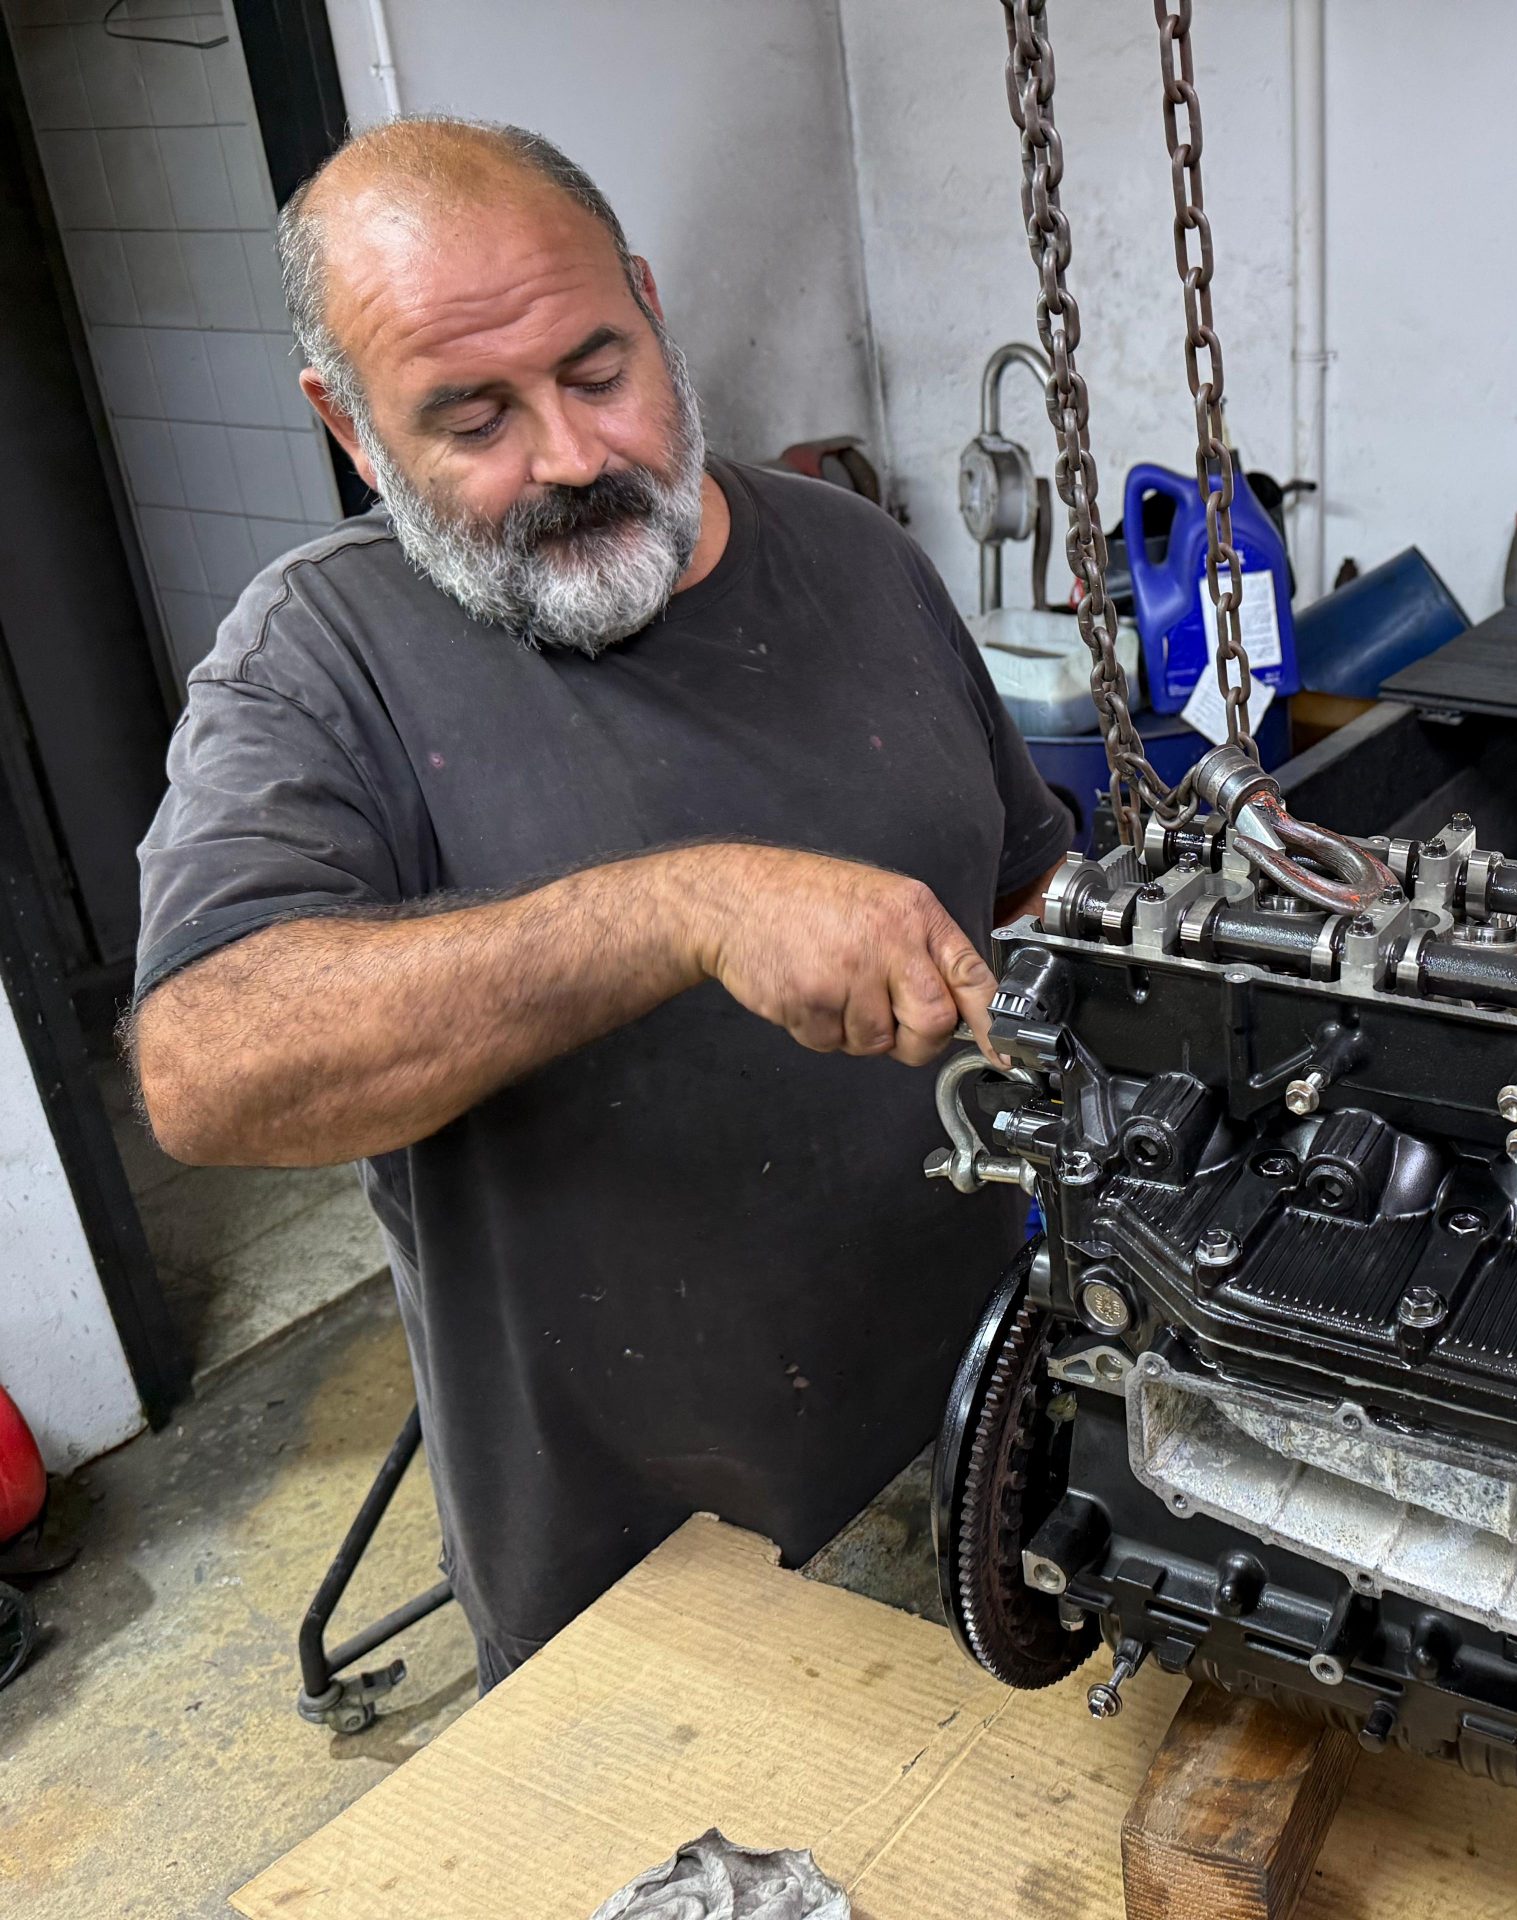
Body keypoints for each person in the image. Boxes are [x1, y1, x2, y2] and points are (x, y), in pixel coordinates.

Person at [127, 117, 1072, 1686]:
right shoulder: (318, 657)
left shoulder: (855, 556)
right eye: (473, 416)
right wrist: (681, 909)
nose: (570, 455)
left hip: (988, 1448)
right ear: (350, 429)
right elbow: (204, 1066)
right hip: (646, 1589)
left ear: (647, 303)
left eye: (596, 368)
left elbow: (1025, 889)